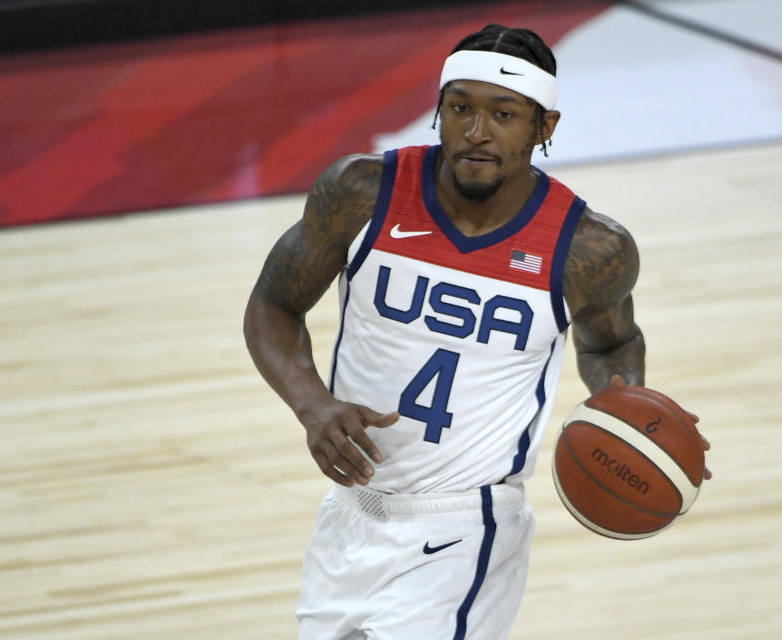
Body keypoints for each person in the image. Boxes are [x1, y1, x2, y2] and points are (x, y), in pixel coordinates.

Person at [243, 23, 710, 640]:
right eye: (460, 106)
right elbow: (274, 302)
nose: (477, 130)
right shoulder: (361, 192)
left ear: (545, 127)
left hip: (465, 532)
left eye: (504, 113)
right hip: (349, 518)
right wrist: (312, 405)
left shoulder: (589, 249)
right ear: (438, 111)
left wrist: (626, 407)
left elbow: (611, 339)